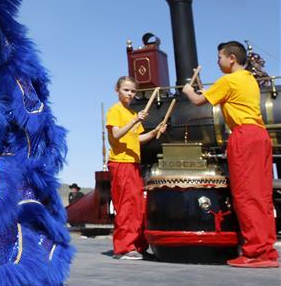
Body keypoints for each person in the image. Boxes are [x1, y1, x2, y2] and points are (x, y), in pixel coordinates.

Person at [182, 41, 279, 268]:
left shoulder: (228, 80)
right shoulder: (249, 80)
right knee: (262, 195)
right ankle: (265, 250)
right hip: (260, 136)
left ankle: (255, 253)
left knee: (245, 194)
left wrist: (188, 90)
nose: (218, 62)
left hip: (244, 136)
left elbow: (197, 101)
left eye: (220, 57)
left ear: (232, 58)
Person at [106, 76, 167, 260]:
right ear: (117, 90)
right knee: (125, 206)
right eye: (126, 90)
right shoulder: (115, 111)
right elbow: (116, 135)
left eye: (133, 91)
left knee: (138, 206)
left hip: (133, 163)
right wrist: (134, 121)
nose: (130, 94)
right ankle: (123, 248)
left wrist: (155, 131)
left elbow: (137, 139)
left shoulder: (133, 113)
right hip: (120, 162)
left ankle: (138, 246)